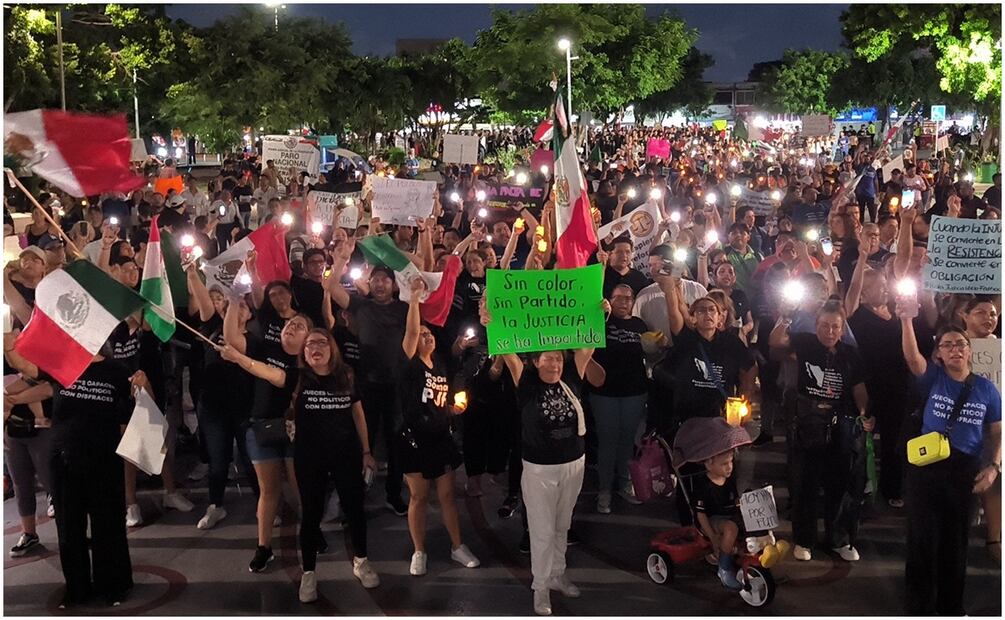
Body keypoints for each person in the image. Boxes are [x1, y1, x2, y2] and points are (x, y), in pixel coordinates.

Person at [221, 328, 380, 599]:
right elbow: (266, 371)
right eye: (309, 345)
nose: (315, 348)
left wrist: (366, 451)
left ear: (332, 348)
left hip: (346, 455)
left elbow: (358, 412)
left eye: (321, 343)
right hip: (310, 458)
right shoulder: (298, 378)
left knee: (354, 511)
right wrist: (238, 357)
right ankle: (309, 573)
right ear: (303, 353)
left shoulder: (347, 375)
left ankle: (361, 561)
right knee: (311, 515)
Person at [17, 349, 148, 608]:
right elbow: (26, 366)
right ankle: (76, 589)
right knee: (69, 528)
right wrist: (8, 337)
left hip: (104, 458)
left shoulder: (117, 371)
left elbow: (137, 411)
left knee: (108, 525)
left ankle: (113, 586)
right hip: (64, 458)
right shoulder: (63, 363)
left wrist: (143, 387)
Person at [899, 314, 1001, 615]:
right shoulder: (933, 377)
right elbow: (912, 358)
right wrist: (906, 320)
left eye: (960, 344)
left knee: (956, 543)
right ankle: (919, 607)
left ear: (970, 350)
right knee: (922, 539)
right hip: (927, 467)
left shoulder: (986, 389)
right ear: (939, 354)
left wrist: (993, 467)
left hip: (964, 470)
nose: (955, 349)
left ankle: (950, 608)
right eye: (948, 345)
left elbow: (997, 431)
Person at [769, 301, 873, 562]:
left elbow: (858, 386)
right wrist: (785, 316)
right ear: (816, 326)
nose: (829, 331)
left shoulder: (851, 353)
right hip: (807, 423)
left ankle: (839, 539)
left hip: (841, 425)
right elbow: (775, 345)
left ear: (842, 329)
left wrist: (864, 412)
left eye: (835, 327)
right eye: (824, 326)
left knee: (841, 483)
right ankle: (804, 539)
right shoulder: (804, 342)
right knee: (805, 483)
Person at [399, 278, 480, 576]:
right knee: (419, 496)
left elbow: (440, 402)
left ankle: (457, 546)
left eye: (429, 334)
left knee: (447, 495)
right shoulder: (409, 365)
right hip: (414, 440)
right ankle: (419, 550)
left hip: (441, 437)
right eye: (421, 335)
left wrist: (454, 408)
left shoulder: (441, 366)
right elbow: (410, 332)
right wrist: (414, 298)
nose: (426, 337)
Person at [223, 303, 310, 573]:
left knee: (300, 489)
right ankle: (264, 546)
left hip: (295, 432)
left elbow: (275, 376)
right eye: (289, 324)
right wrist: (231, 299)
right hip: (261, 428)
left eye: (299, 326)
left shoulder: (302, 367)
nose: (291, 328)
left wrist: (240, 361)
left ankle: (311, 532)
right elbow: (232, 339)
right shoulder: (264, 347)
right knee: (268, 490)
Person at [327, 239, 410, 516]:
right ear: (369, 283)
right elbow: (331, 287)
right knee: (364, 441)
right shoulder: (360, 306)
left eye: (386, 280)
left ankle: (393, 493)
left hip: (398, 386)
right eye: (375, 280)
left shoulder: (404, 308)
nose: (380, 284)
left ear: (394, 285)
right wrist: (341, 259)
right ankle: (357, 492)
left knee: (397, 442)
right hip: (367, 386)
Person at [587, 284, 649, 513]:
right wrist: (599, 315)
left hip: (635, 390)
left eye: (628, 298)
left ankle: (624, 483)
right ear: (609, 300)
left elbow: (649, 353)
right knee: (607, 441)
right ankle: (604, 490)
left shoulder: (639, 325)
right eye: (619, 298)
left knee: (627, 440)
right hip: (605, 392)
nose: (624, 302)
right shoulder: (600, 321)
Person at [693, 449, 743, 590]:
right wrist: (713, 538)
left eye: (731, 462)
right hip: (712, 519)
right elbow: (701, 515)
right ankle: (724, 568)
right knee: (730, 528)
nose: (729, 467)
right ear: (709, 465)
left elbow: (735, 500)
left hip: (729, 515)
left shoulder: (730, 480)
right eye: (724, 464)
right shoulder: (703, 485)